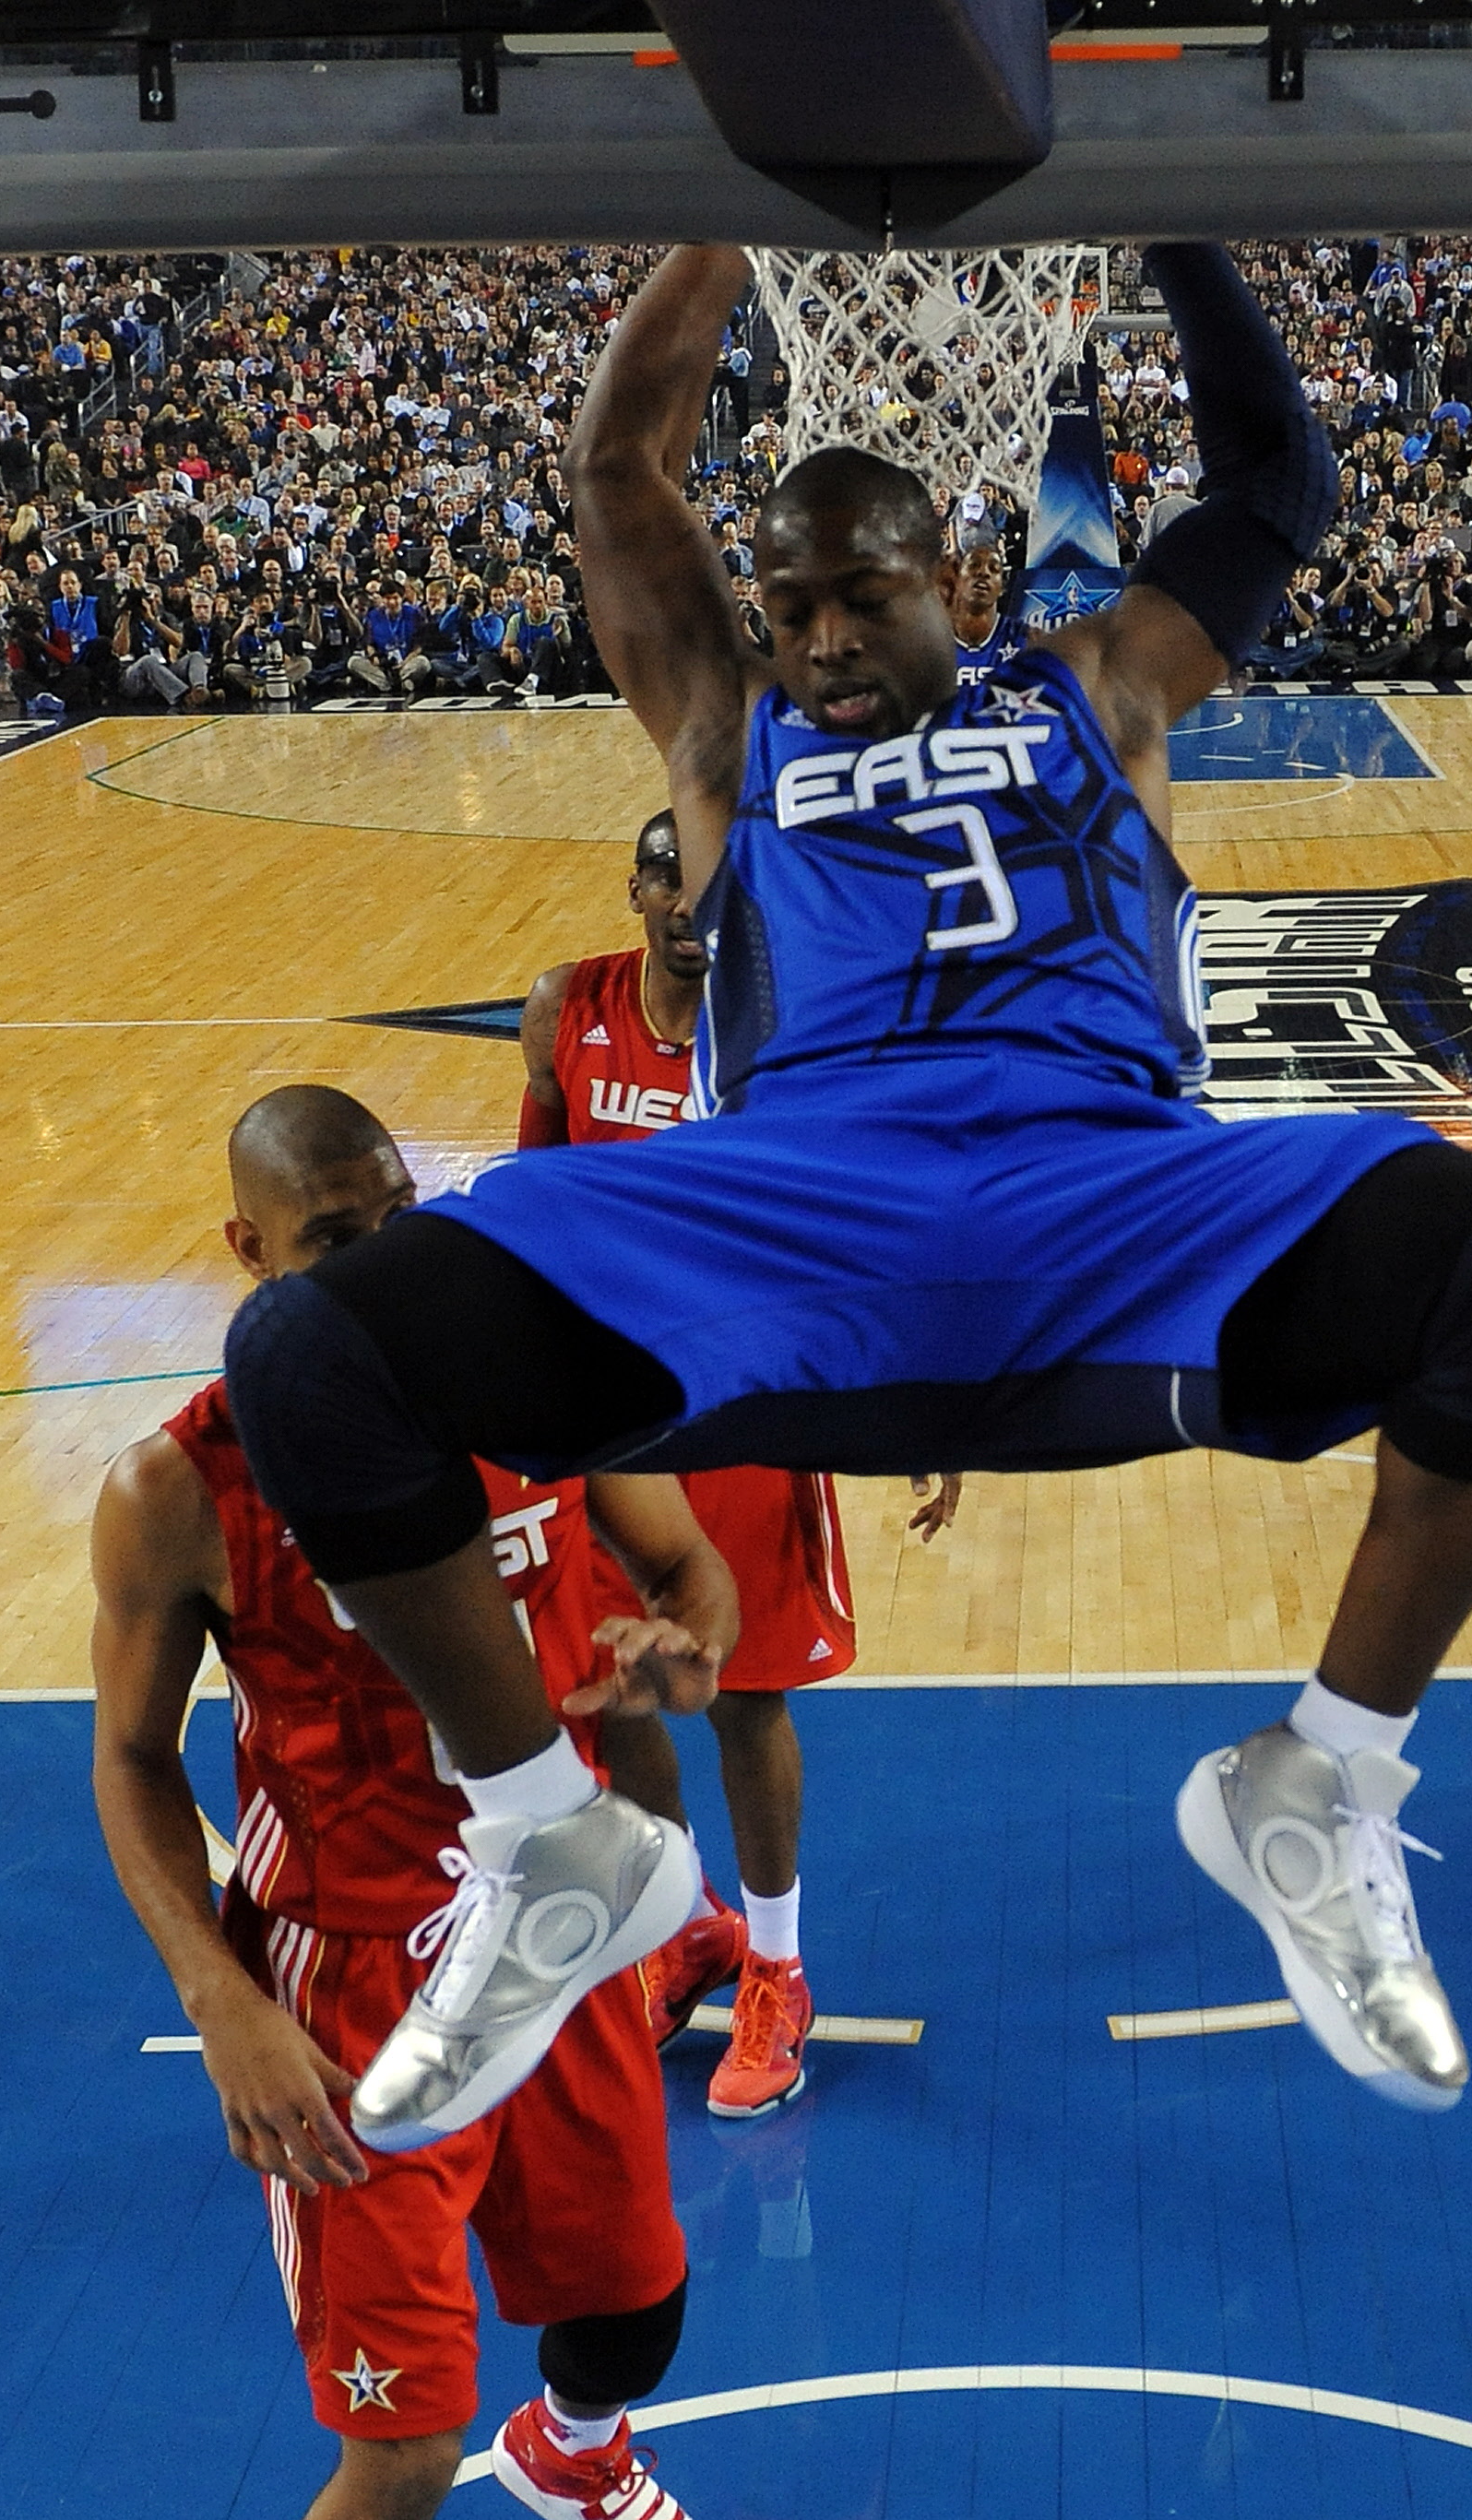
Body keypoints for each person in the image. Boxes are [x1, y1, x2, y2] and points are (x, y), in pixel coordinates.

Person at [218, 242, 1472, 2151]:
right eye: (788, 604)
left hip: (1115, 1189)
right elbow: (619, 477)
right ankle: (557, 1841)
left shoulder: (1101, 688)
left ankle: (1319, 1777)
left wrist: (1182, 231)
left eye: (857, 598)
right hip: (794, 1202)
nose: (816, 638)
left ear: (953, 584)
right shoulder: (729, 736)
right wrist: (723, 229)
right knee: (308, 1351)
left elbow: (1272, 491)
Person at [88, 1085, 725, 2520]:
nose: (377, 1266)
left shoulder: (535, 1385)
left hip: (554, 1929)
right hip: (353, 1986)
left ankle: (576, 2456)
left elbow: (690, 1571)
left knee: (631, 2314)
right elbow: (130, 1758)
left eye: (397, 1224)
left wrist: (677, 1652)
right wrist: (219, 1997)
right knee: (404, 2459)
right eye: (332, 1241)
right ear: (247, 1248)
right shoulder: (177, 1490)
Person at [516, 809, 964, 2120]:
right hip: (616, 1419)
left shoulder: (796, 1039)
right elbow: (538, 1206)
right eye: (670, 880)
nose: (689, 908)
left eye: (715, 890)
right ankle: (685, 1923)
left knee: (749, 1699)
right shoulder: (568, 1011)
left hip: (755, 1407)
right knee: (620, 1687)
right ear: (641, 886)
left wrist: (912, 1405)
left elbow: (865, 1237)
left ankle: (776, 1967)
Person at [947, 540, 1022, 689]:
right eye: (973, 565)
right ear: (957, 578)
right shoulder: (933, 640)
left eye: (994, 569)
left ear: (1003, 587)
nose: (983, 573)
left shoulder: (1026, 640)